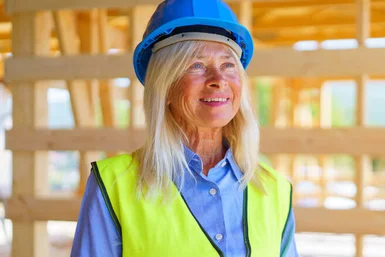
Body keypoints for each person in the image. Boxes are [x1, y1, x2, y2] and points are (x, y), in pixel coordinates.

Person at [70, 0, 298, 256]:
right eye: (196, 65)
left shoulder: (276, 190)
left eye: (228, 65)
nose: (218, 80)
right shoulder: (113, 186)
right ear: (164, 86)